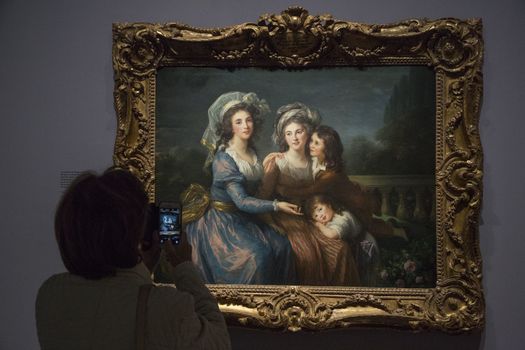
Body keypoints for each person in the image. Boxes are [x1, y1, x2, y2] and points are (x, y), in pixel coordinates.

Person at [35, 168, 231, 350]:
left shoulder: (50, 294)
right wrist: (183, 265)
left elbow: (110, 308)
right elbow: (219, 341)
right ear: (133, 231)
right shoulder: (166, 307)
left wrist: (142, 268)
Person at [184, 92, 299, 285]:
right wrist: (277, 206)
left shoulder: (253, 153)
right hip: (223, 222)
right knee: (258, 256)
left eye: (248, 120)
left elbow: (254, 193)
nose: (245, 126)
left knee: (283, 246)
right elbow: (242, 201)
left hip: (246, 217)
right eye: (239, 122)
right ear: (230, 126)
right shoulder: (224, 159)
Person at [276, 125, 403, 285]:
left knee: (371, 227)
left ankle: (398, 231)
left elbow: (308, 191)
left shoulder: (330, 175)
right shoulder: (319, 162)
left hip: (354, 206)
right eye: (312, 141)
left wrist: (282, 189)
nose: (311, 145)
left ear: (327, 149)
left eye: (316, 143)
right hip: (340, 202)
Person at [259, 103, 360, 286]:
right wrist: (272, 222)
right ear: (283, 136)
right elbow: (263, 197)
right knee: (307, 256)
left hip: (311, 217)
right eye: (288, 133)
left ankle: (339, 303)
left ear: (308, 132)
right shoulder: (277, 162)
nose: (294, 138)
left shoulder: (316, 161)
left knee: (340, 249)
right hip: (285, 218)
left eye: (299, 132)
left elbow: (332, 181)